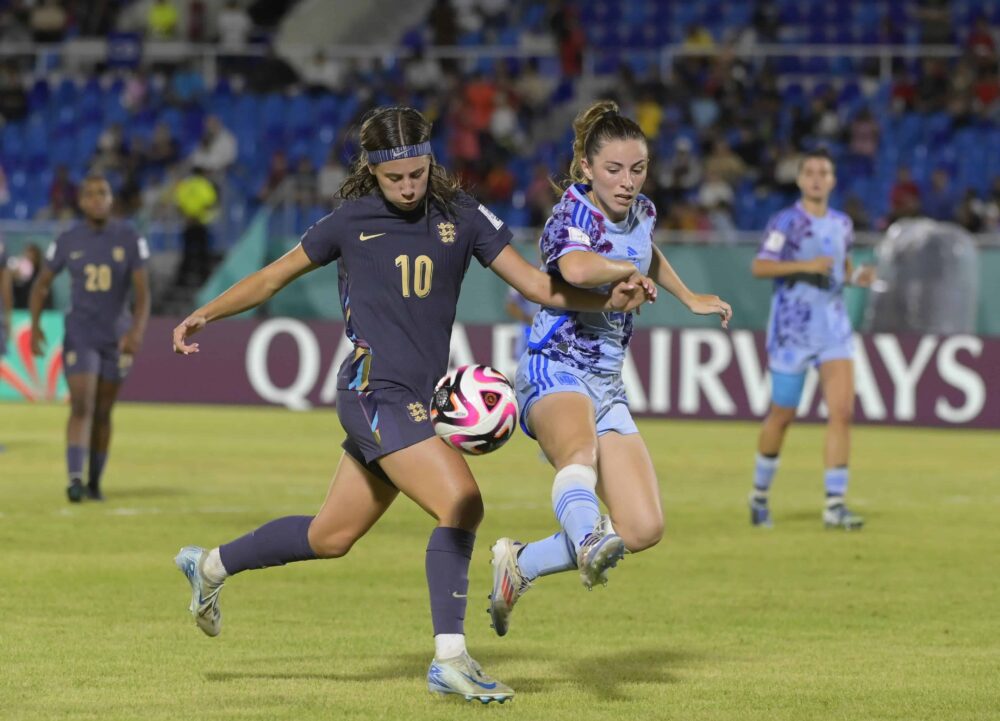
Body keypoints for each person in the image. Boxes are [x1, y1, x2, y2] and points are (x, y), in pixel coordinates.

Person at [169, 106, 654, 704]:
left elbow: (535, 286)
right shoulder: (349, 220)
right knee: (462, 500)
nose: (407, 186)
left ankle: (211, 566)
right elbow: (273, 277)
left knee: (331, 535)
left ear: (430, 161)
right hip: (373, 390)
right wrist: (205, 312)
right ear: (372, 171)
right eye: (395, 177)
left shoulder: (463, 215)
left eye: (417, 173)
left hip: (416, 396)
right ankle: (449, 658)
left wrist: (608, 297)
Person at [487, 100, 732, 638]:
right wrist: (623, 269)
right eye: (614, 170)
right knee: (578, 456)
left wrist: (687, 296)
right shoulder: (570, 215)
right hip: (554, 366)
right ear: (586, 169)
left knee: (643, 527)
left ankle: (520, 564)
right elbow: (576, 268)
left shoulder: (642, 211)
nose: (627, 182)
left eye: (637, 169)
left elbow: (647, 249)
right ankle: (589, 538)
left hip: (607, 384)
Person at [746, 148, 876, 531]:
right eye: (811, 172)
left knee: (842, 413)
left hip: (834, 330)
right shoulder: (784, 222)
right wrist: (804, 266)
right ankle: (759, 495)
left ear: (833, 180)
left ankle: (835, 506)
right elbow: (760, 266)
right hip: (792, 333)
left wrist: (857, 277)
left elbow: (843, 269)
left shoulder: (842, 224)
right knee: (783, 415)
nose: (817, 178)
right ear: (801, 179)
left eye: (824, 172)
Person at [29, 174, 151, 502]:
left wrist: (136, 332)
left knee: (103, 411)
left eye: (103, 193)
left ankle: (95, 482)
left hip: (116, 337)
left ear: (111, 199)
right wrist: (35, 325)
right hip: (80, 334)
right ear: (81, 202)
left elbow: (143, 294)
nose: (97, 199)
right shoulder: (68, 239)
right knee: (82, 403)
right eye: (90, 194)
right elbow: (41, 284)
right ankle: (73, 480)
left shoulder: (129, 237)